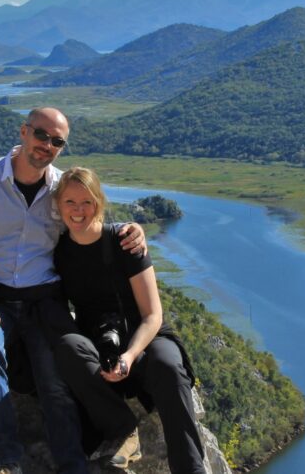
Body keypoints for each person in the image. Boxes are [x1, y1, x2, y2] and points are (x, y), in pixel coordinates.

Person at [0, 108, 146, 474]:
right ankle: (5, 460)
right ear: (23, 132)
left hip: (44, 299)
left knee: (54, 379)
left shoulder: (59, 189)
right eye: (41, 135)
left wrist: (129, 230)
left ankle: (72, 465)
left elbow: (88, 221)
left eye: (57, 141)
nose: (47, 145)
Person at [51, 167, 205, 474]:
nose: (79, 211)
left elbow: (153, 314)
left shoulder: (125, 241)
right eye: (70, 202)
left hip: (145, 338)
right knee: (68, 347)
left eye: (87, 201)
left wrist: (130, 356)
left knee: (168, 366)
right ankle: (122, 427)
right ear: (58, 206)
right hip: (100, 342)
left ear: (100, 203)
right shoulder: (59, 253)